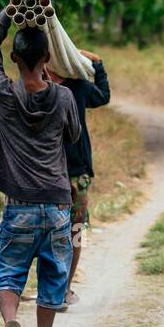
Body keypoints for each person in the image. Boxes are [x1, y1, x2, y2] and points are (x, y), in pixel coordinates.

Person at [0, 8, 79, 327]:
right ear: (48, 59)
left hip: (19, 206)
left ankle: (10, 321)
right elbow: (73, 137)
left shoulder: (4, 92)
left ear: (14, 58)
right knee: (53, 280)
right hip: (55, 206)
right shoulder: (65, 99)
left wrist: (7, 14)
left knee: (8, 273)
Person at [45, 49, 110, 304]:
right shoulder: (77, 87)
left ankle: (57, 289)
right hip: (69, 175)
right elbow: (103, 95)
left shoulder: (34, 87)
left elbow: (102, 97)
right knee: (72, 233)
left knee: (62, 232)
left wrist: (98, 65)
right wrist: (98, 64)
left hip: (51, 175)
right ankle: (61, 289)